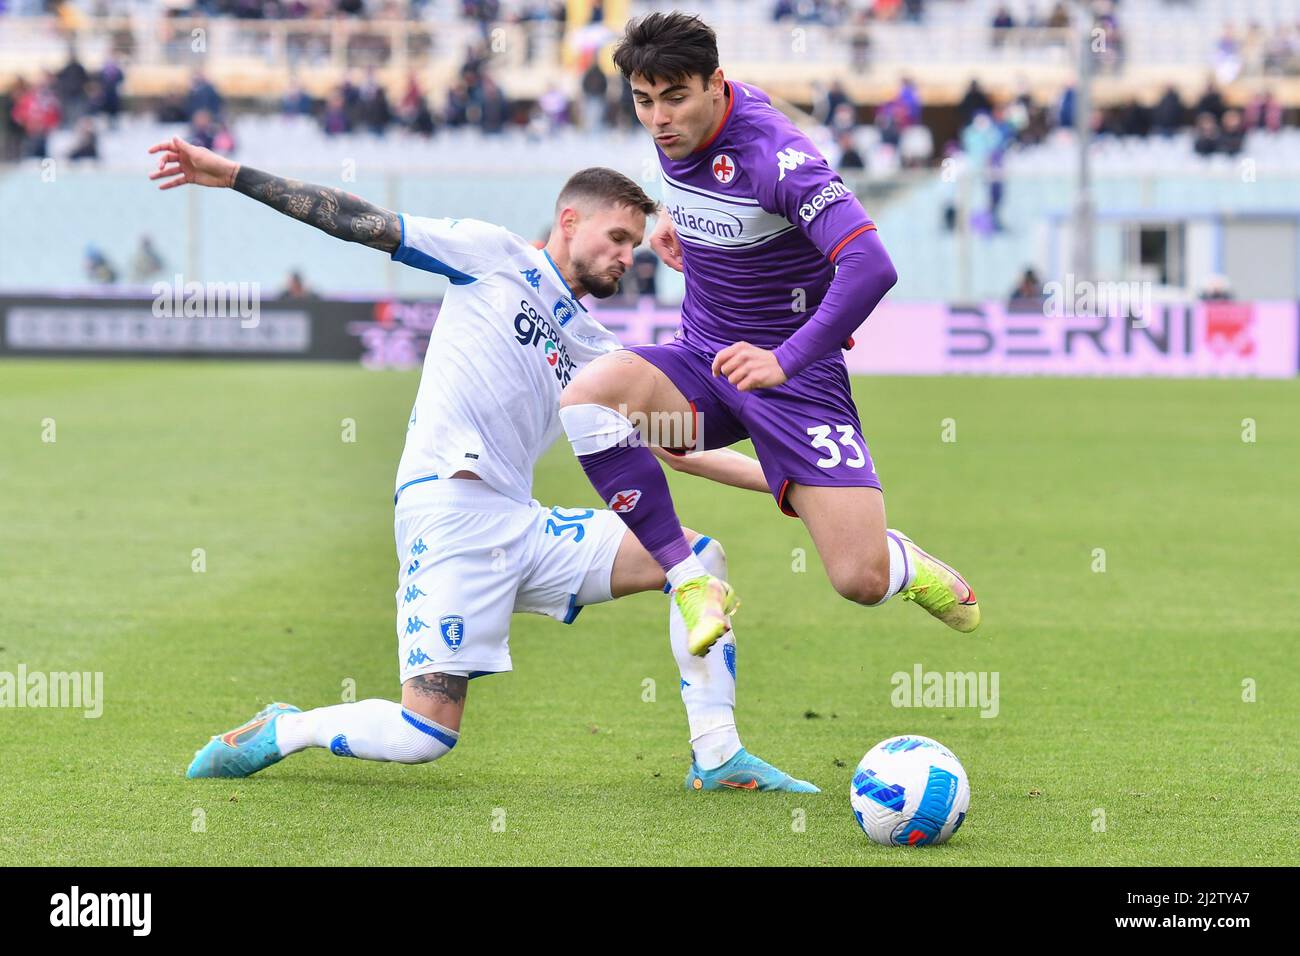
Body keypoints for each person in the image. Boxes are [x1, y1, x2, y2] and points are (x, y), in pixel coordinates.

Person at [148, 136, 816, 793]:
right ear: (569, 220)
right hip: (449, 516)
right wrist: (232, 174)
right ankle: (285, 730)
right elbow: (360, 222)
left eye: (633, 247)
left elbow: (677, 446)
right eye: (616, 238)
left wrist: (797, 483)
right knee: (425, 734)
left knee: (699, 563)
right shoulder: (491, 256)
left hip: (523, 527)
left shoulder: (594, 345)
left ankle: (718, 756)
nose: (624, 257)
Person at [556, 13, 981, 658]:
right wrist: (675, 220)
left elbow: (872, 265)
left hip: (796, 378)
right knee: (593, 399)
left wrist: (786, 359)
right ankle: (689, 577)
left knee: (857, 579)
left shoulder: (777, 158)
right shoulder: (680, 129)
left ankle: (905, 563)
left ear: (715, 84)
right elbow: (709, 189)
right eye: (644, 101)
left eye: (675, 98)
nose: (659, 117)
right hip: (705, 359)